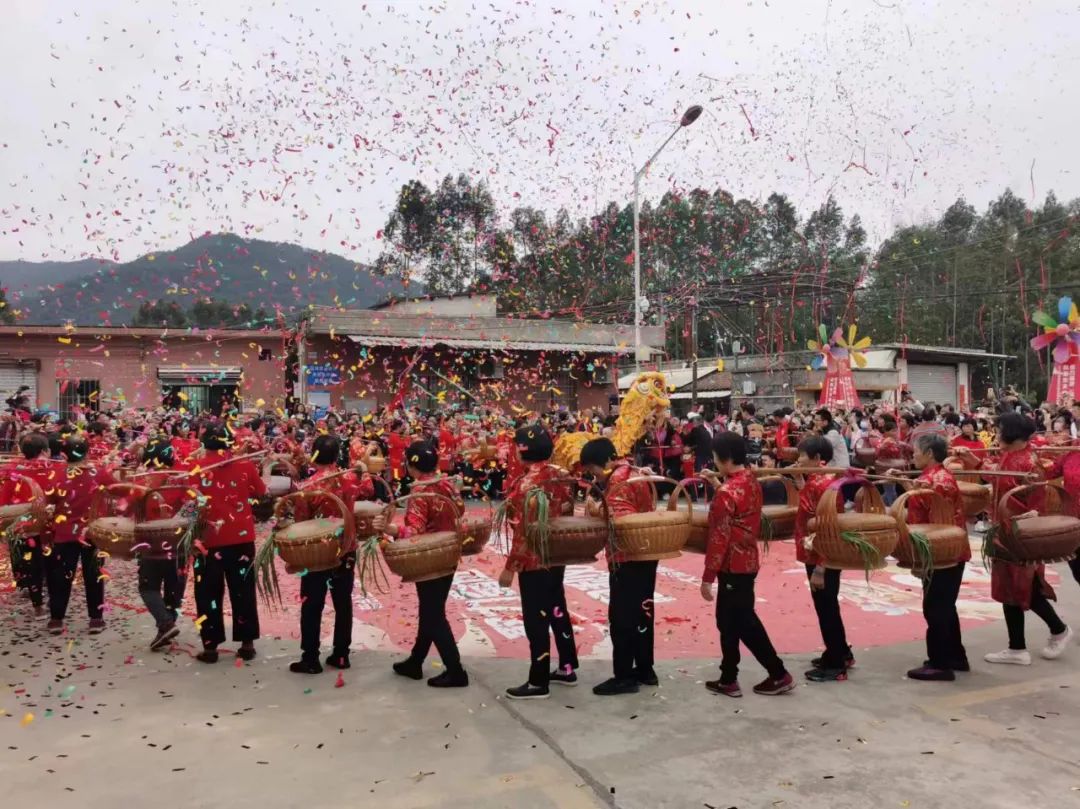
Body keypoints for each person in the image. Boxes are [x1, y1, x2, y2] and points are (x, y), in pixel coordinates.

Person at [956, 412, 1071, 665]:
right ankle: (1017, 648)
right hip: (1005, 530)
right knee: (1008, 587)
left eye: (999, 431)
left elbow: (1030, 499)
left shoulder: (1030, 464)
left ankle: (1058, 629)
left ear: (1013, 435)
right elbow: (995, 475)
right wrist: (974, 461)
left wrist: (977, 462)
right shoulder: (1011, 456)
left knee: (1024, 586)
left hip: (1020, 533)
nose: (996, 436)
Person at [700, 432, 793, 697]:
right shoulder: (750, 480)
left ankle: (778, 673)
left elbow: (719, 538)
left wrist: (707, 577)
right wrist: (717, 481)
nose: (714, 461)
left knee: (742, 622)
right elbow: (735, 502)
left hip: (732, 564)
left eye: (716, 457)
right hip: (747, 561)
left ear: (724, 458)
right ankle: (728, 677)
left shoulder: (727, 493)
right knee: (728, 621)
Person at [376, 440, 469, 687]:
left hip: (428, 557)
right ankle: (416, 661)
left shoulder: (420, 490)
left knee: (433, 613)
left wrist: (388, 528)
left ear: (410, 465)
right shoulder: (448, 483)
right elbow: (460, 512)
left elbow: (413, 531)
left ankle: (455, 669)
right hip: (449, 552)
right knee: (430, 610)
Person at [500, 424, 578, 700]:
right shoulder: (562, 475)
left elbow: (524, 531)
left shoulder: (527, 485)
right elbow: (568, 508)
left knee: (536, 620)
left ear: (523, 451)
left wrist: (510, 568)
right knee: (557, 609)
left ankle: (538, 680)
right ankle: (567, 667)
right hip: (557, 555)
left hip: (534, 560)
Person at [289, 434, 373, 674]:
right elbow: (368, 488)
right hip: (346, 548)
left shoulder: (308, 487)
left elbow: (301, 523)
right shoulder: (349, 479)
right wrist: (364, 469)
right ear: (337, 456)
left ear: (315, 455)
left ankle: (310, 658)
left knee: (312, 604)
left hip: (318, 552)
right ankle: (341, 654)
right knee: (343, 601)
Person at [580, 437, 657, 696]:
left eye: (592, 470)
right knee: (644, 610)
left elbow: (621, 521)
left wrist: (597, 509)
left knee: (622, 617)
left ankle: (624, 675)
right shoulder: (634, 471)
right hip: (649, 549)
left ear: (604, 463)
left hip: (628, 556)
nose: (593, 475)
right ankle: (646, 669)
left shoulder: (618, 482)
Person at [190, 424, 267, 663]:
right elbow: (261, 491)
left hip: (208, 540)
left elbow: (188, 501)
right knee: (243, 590)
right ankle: (247, 643)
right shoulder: (245, 465)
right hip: (241, 538)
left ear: (205, 443)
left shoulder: (197, 469)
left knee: (207, 593)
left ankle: (211, 647)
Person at [901, 434, 970, 681]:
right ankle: (955, 656)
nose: (913, 455)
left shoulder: (938, 481)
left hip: (943, 550)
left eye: (915, 451)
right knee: (945, 606)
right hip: (944, 548)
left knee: (936, 608)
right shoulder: (932, 478)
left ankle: (940, 664)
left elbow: (930, 512)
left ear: (929, 453)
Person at [794, 435, 854, 681]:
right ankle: (840, 651)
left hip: (822, 554)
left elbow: (827, 527)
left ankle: (836, 664)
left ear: (818, 458)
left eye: (802, 457)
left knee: (826, 607)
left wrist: (821, 566)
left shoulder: (824, 484)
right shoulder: (817, 480)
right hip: (816, 552)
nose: (798, 460)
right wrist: (799, 480)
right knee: (828, 606)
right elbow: (809, 506)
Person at [45, 434, 115, 636]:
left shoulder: (57, 473)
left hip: (64, 534)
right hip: (92, 532)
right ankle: (96, 618)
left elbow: (49, 498)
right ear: (87, 452)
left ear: (64, 454)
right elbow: (118, 490)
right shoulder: (98, 472)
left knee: (61, 576)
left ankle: (56, 619)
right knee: (94, 575)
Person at [136, 438, 191, 651]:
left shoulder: (141, 481)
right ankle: (166, 625)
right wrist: (177, 521)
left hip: (151, 546)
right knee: (174, 591)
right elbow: (196, 504)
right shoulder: (181, 478)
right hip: (179, 544)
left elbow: (131, 512)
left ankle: (165, 623)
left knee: (148, 587)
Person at [1, 432, 63, 615]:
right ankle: (55, 601)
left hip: (22, 525)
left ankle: (37, 605)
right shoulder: (55, 469)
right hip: (49, 525)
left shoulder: (11, 470)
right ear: (46, 450)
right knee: (52, 564)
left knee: (31, 565)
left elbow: (4, 500)